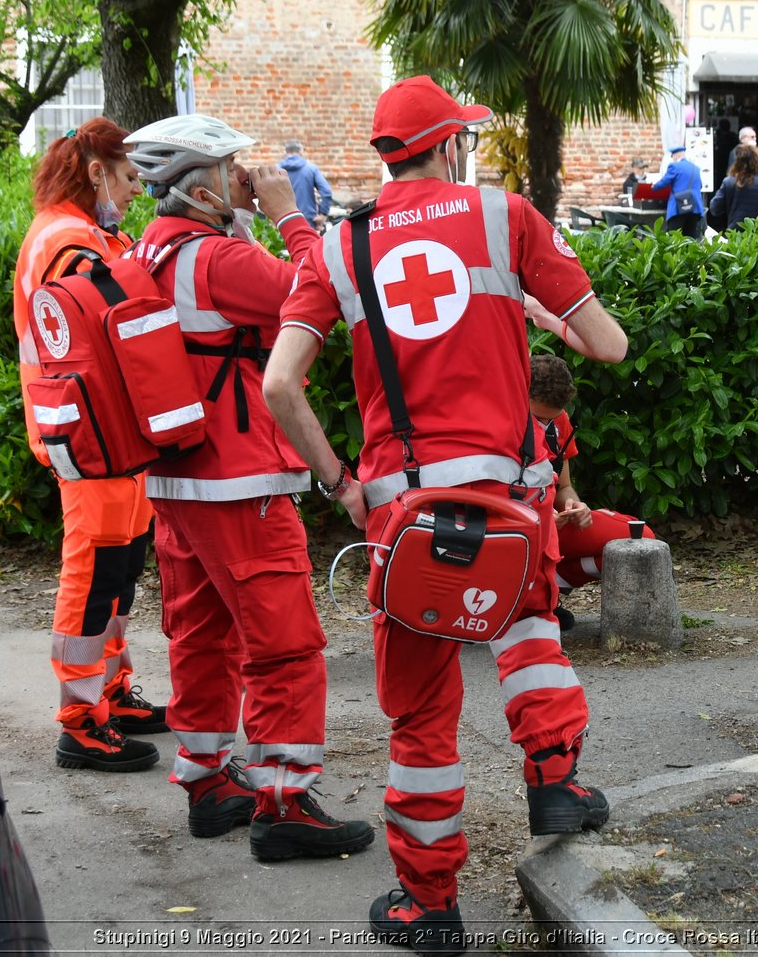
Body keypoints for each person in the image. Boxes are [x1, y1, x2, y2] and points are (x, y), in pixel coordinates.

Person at [262, 74, 629, 954]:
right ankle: (556, 782)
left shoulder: (339, 249)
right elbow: (609, 344)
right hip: (506, 494)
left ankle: (430, 905)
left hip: (401, 505)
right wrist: (530, 310)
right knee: (530, 628)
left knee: (421, 710)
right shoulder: (508, 218)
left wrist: (343, 484)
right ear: (451, 144)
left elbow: (280, 385)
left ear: (389, 156)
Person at [123, 114, 374, 860]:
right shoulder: (217, 260)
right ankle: (285, 800)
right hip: (242, 482)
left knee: (202, 636)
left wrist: (251, 217)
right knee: (284, 645)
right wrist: (289, 214)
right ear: (200, 191)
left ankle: (209, 782)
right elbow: (321, 286)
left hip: (175, 481)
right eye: (233, 168)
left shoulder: (150, 250)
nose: (247, 176)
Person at [13, 117, 167, 774]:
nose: (136, 190)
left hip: (110, 432)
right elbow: (108, 318)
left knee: (121, 568)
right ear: (97, 170)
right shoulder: (67, 239)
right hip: (89, 431)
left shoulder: (83, 234)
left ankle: (108, 693)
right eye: (130, 176)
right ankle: (80, 722)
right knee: (96, 572)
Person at [527, 353, 657, 628]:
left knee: (637, 538)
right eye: (538, 418)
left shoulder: (558, 422)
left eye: (553, 418)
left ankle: (545, 595)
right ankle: (524, 599)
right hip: (513, 530)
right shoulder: (495, 422)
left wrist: (574, 506)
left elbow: (564, 487)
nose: (545, 426)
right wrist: (540, 516)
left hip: (550, 526)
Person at [707, 145, 758, 231]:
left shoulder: (728, 182)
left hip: (735, 235)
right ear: (757, 161)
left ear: (737, 162)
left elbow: (715, 209)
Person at [280, 140, 335, 231]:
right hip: (306, 220)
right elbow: (326, 192)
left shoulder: (276, 170)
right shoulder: (311, 168)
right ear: (301, 151)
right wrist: (323, 214)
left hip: (282, 220)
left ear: (285, 151)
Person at [652, 144, 704, 239]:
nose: (672, 159)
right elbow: (700, 185)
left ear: (676, 156)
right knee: (690, 239)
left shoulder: (674, 166)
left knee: (674, 239)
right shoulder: (695, 168)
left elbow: (664, 182)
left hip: (679, 207)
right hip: (694, 208)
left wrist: (653, 186)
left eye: (672, 156)